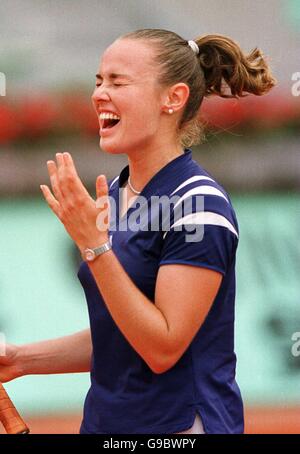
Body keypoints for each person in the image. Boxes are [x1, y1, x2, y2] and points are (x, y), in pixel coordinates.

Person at [0, 29, 276, 434]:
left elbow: (162, 347)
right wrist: (20, 360)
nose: (98, 94)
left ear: (173, 98)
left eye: (117, 81)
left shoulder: (199, 205)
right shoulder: (115, 195)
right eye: (98, 81)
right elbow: (122, 337)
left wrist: (94, 245)